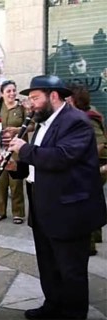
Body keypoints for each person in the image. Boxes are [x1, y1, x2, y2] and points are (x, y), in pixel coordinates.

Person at [6, 75, 107, 320]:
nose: (30, 104)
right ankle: (52, 304)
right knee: (48, 264)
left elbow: (61, 158)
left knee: (71, 270)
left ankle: (73, 314)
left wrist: (23, 149)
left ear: (53, 96)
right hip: (44, 206)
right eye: (29, 99)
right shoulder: (43, 122)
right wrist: (15, 167)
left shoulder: (76, 121)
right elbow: (37, 161)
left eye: (35, 98)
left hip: (70, 210)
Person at [66, 83, 107, 255]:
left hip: (96, 166)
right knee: (93, 200)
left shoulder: (87, 118)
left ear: (75, 99)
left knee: (85, 205)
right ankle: (96, 235)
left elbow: (100, 144)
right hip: (93, 166)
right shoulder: (86, 113)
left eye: (67, 97)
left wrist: (81, 158)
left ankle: (88, 245)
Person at [0, 81, 27, 224]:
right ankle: (0, 211)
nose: (12, 94)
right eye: (8, 91)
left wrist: (17, 130)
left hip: (17, 150)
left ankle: (18, 213)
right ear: (2, 93)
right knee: (1, 182)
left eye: (14, 90)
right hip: (1, 150)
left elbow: (32, 126)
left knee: (16, 182)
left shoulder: (22, 108)